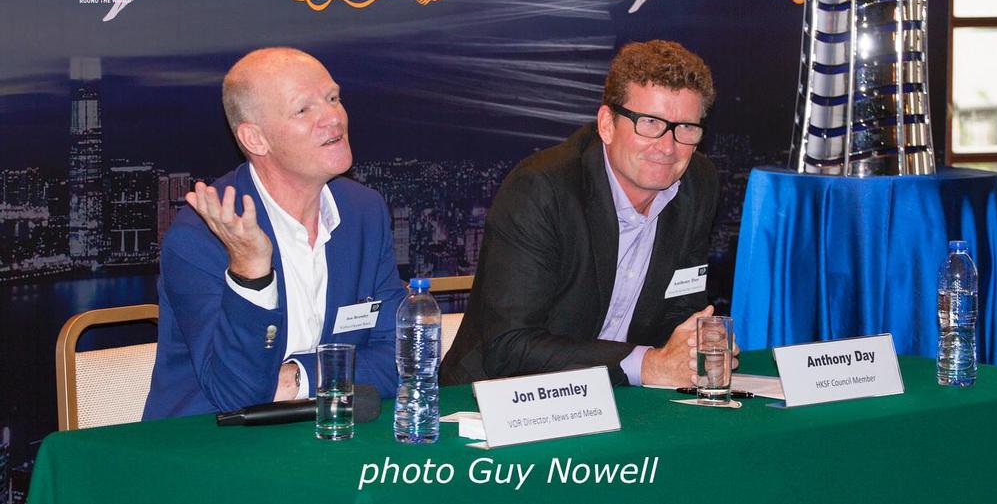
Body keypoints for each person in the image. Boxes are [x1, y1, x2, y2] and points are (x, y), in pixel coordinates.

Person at [441, 39, 733, 387]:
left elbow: (680, 304)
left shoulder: (697, 185)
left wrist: (692, 347)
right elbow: (510, 346)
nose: (667, 147)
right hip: (500, 402)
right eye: (650, 123)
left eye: (686, 127)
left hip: (624, 398)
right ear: (607, 124)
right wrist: (647, 364)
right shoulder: (542, 189)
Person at [143, 47, 406, 419]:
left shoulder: (364, 211)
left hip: (327, 436)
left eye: (333, 98)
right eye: (304, 109)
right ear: (256, 139)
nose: (332, 117)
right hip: (211, 449)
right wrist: (251, 273)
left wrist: (299, 379)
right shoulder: (203, 234)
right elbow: (236, 395)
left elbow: (399, 358)